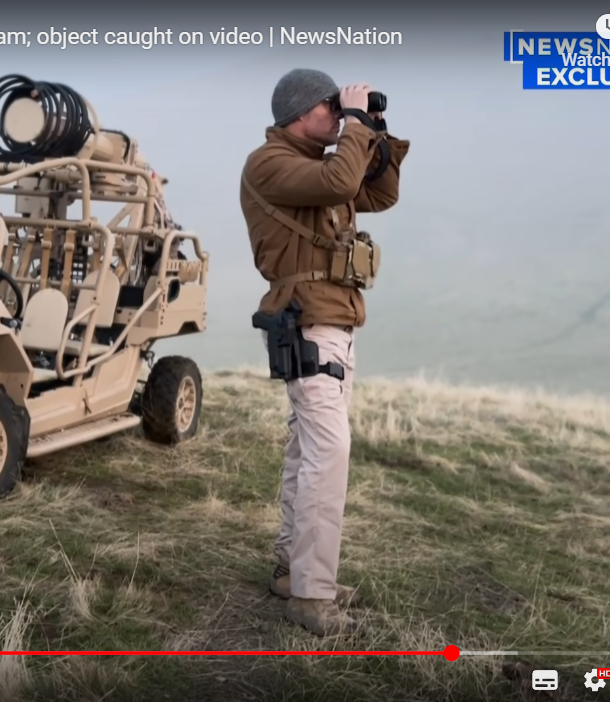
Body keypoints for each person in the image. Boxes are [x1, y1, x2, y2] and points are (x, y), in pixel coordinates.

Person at [239, 68, 410, 636]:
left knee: (307, 451)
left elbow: (378, 194)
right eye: (330, 108)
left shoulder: (317, 164)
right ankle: (312, 595)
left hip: (334, 321)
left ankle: (293, 571)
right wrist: (355, 124)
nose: (338, 116)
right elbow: (340, 182)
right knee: (328, 454)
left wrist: (374, 131)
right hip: (307, 321)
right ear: (298, 112)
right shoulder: (270, 163)